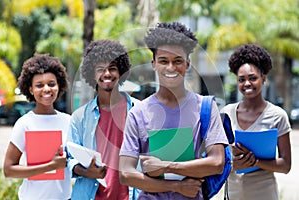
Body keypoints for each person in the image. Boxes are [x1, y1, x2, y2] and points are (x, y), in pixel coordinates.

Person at [119, 21, 229, 199]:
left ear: (187, 63)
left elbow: (217, 162)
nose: (171, 68)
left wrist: (167, 166)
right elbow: (125, 174)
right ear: (154, 63)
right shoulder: (138, 113)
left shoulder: (206, 107)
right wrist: (177, 186)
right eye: (164, 61)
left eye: (177, 61)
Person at [67, 39, 139, 200]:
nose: (107, 74)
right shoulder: (79, 118)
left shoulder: (140, 111)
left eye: (112, 69)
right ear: (92, 74)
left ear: (121, 72)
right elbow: (69, 159)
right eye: (101, 69)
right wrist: (86, 172)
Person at [221, 44, 292, 199]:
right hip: (233, 195)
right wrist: (233, 164)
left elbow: (286, 165)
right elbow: (216, 157)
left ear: (263, 79)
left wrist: (255, 161)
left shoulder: (277, 116)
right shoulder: (226, 113)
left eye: (252, 78)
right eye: (241, 79)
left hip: (264, 194)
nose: (247, 83)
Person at [3, 54, 71, 200]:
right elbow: (9, 170)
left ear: (59, 86)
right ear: (31, 89)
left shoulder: (68, 121)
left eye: (51, 84)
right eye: (39, 85)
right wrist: (50, 166)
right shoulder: (25, 123)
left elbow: (73, 164)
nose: (46, 89)